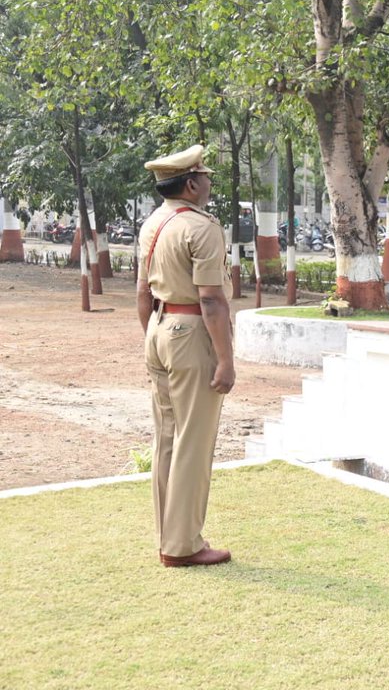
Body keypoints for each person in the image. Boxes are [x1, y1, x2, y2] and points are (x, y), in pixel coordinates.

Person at [137, 144, 235, 568]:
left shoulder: (153, 223)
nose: (210, 183)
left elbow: (142, 293)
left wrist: (156, 338)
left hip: (159, 328)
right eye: (206, 177)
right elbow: (212, 300)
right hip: (192, 331)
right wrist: (226, 360)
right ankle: (184, 546)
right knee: (193, 442)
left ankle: (169, 538)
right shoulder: (201, 227)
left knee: (166, 441)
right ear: (192, 183)